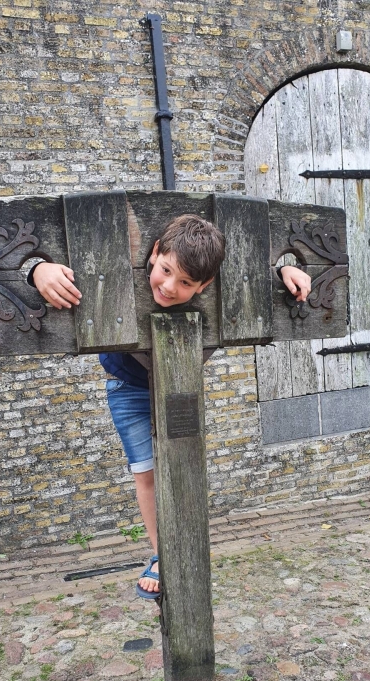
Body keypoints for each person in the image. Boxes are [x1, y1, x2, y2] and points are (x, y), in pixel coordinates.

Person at [30, 213, 311, 600]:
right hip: (127, 387)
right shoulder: (115, 268)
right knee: (145, 474)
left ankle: (186, 550)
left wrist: (286, 270)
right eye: (165, 271)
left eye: (186, 283)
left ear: (205, 285)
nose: (168, 287)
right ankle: (162, 554)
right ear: (155, 252)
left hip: (178, 382)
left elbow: (255, 278)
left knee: (181, 470)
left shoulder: (208, 285)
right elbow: (46, 265)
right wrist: (37, 270)